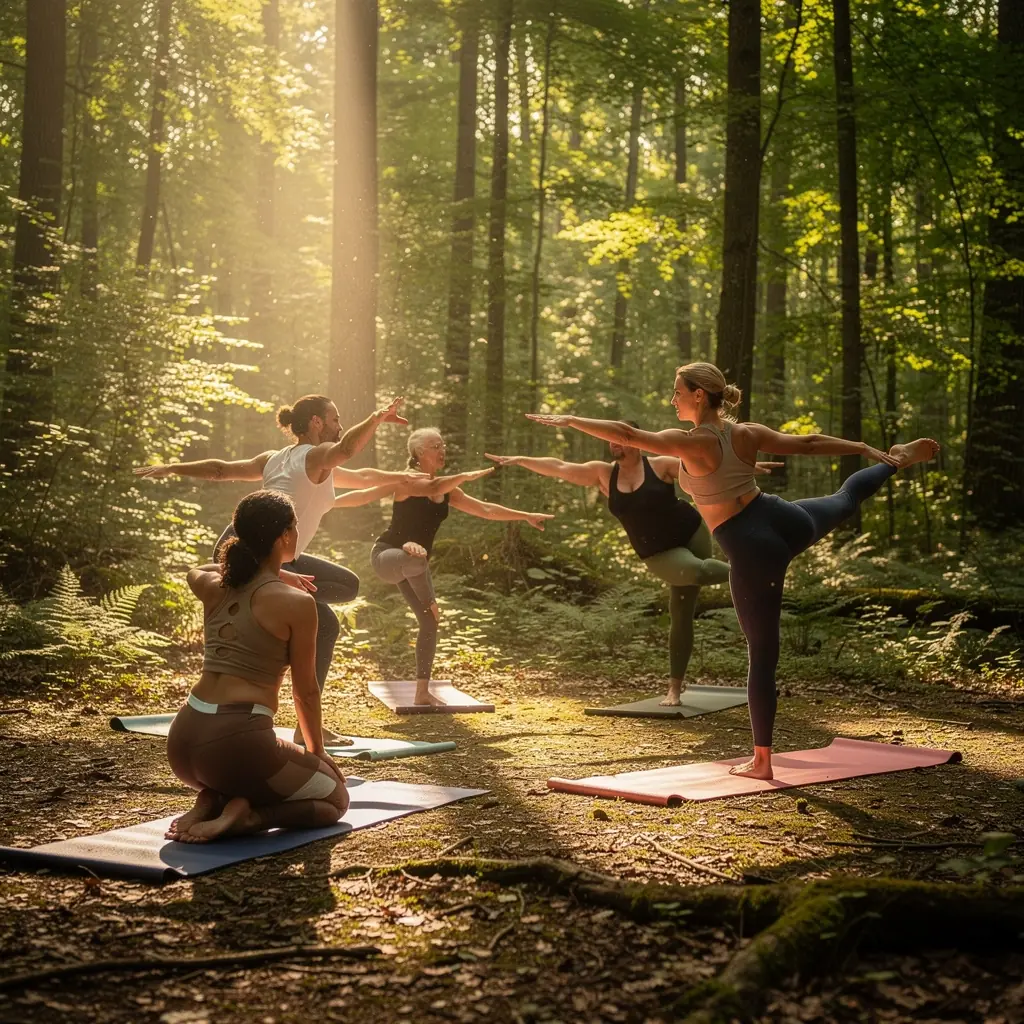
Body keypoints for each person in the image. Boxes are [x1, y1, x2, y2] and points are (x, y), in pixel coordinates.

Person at [527, 362, 939, 780]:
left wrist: (571, 419)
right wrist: (864, 448)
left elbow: (628, 435)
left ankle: (762, 762)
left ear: (698, 395)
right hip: (781, 517)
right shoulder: (746, 432)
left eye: (677, 392)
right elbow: (810, 443)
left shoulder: (689, 443)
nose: (672, 400)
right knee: (846, 497)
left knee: (762, 653)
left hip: (750, 545)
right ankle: (895, 461)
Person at [135, 394, 413, 744]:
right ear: (316, 422)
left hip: (251, 550)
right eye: (335, 418)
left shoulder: (278, 459)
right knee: (329, 610)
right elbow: (345, 449)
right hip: (249, 553)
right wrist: (375, 417)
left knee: (337, 603)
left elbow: (221, 470)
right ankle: (276, 629)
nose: (339, 425)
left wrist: (405, 479)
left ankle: (302, 719)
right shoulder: (315, 457)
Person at [484, 437, 780, 705]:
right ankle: (756, 571)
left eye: (622, 440)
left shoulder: (660, 465)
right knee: (698, 574)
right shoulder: (603, 473)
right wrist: (521, 460)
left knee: (681, 611)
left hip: (692, 531)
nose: (615, 446)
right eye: (611, 442)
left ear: (636, 443)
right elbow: (560, 467)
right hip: (659, 553)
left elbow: (706, 470)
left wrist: (745, 468)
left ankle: (674, 688)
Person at [166, 490, 349, 843]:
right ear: (284, 536)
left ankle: (213, 798)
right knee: (335, 799)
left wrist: (272, 573)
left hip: (184, 741)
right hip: (234, 744)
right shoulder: (296, 603)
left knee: (244, 770)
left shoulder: (215, 586)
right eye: (294, 526)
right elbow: (305, 692)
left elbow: (196, 569)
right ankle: (250, 817)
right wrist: (318, 752)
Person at [372, 428, 553, 707]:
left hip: (417, 566)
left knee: (430, 621)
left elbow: (486, 510)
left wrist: (525, 516)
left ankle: (422, 692)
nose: (442, 449)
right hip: (388, 557)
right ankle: (412, 553)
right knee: (415, 558)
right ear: (419, 453)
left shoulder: (447, 490)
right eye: (435, 445)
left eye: (443, 444)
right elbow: (429, 487)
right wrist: (428, 594)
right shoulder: (407, 482)